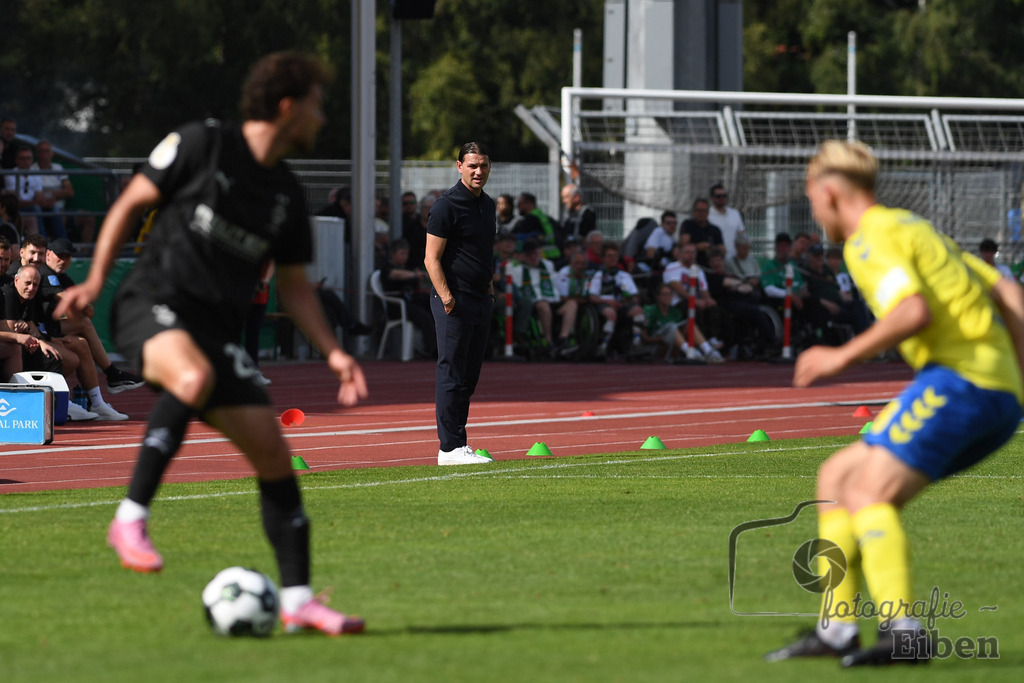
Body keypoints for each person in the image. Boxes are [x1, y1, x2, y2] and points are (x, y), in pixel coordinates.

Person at [54, 52, 369, 635]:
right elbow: (129, 204)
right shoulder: (202, 142)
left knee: (275, 456)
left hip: (213, 333)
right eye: (317, 105)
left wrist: (334, 351)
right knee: (191, 378)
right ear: (286, 105)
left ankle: (298, 600)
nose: (321, 119)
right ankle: (129, 518)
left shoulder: (286, 194)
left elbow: (297, 291)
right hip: (150, 303)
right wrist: (95, 281)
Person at [766, 139, 1024, 667]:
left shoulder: (869, 241)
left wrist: (839, 358)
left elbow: (911, 312)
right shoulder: (911, 226)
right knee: (837, 479)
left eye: (813, 199)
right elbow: (1008, 292)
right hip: (981, 385)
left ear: (832, 192)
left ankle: (904, 634)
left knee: (866, 491)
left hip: (961, 383)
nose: (815, 213)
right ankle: (837, 629)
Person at [424, 142, 497, 466]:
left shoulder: (488, 206)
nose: (478, 171)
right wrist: (448, 299)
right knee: (451, 372)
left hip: (481, 299)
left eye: (483, 165)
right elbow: (431, 258)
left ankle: (458, 444)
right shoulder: (446, 206)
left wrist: (490, 290)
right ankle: (449, 447)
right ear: (459, 166)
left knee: (468, 377)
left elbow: (483, 253)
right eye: (472, 166)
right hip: (454, 300)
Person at [510, 238, 579, 357]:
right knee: (543, 305)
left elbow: (556, 281)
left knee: (572, 304)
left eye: (535, 253)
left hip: (553, 300)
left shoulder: (547, 265)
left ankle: (564, 338)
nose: (534, 257)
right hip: (536, 303)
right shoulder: (516, 270)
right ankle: (548, 340)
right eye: (529, 255)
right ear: (522, 256)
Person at [381, 237, 436, 357]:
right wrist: (415, 275)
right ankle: (432, 349)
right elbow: (397, 275)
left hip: (411, 303)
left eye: (406, 254)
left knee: (434, 306)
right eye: (402, 253)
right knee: (423, 316)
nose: (405, 257)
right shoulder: (387, 268)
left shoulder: (407, 268)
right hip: (397, 307)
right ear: (393, 254)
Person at [587, 241, 644, 357]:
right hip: (604, 304)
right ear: (603, 258)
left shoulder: (624, 275)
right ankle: (603, 346)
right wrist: (608, 302)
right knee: (611, 313)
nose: (613, 259)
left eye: (615, 256)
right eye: (609, 256)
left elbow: (634, 295)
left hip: (622, 304)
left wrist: (629, 299)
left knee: (638, 311)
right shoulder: (597, 275)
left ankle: (636, 343)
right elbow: (592, 297)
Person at [30, 140, 75, 242]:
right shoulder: (32, 169)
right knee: (52, 210)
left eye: (47, 151)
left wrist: (48, 194)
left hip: (62, 208)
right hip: (41, 208)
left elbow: (70, 191)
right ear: (37, 154)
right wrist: (58, 193)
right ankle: (60, 245)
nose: (44, 154)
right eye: (41, 151)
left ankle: (84, 250)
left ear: (52, 153)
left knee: (87, 217)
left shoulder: (58, 168)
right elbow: (33, 194)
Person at [3, 145, 46, 237]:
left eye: (28, 158)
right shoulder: (10, 175)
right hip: (17, 209)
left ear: (32, 160)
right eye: (22, 158)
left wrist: (34, 202)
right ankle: (43, 239)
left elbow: (40, 198)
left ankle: (44, 241)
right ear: (17, 160)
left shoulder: (36, 175)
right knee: (36, 208)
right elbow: (14, 202)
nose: (26, 161)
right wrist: (34, 202)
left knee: (53, 209)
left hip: (32, 208)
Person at [680, 197, 723, 268]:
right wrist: (698, 247)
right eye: (699, 210)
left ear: (708, 212)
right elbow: (683, 245)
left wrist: (710, 248)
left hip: (711, 267)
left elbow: (722, 249)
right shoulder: (687, 225)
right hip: (691, 266)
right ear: (694, 211)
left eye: (704, 211)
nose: (701, 213)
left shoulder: (715, 229)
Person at [706, 183, 746, 258]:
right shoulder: (707, 214)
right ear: (712, 198)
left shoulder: (734, 213)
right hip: (714, 259)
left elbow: (741, 235)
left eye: (724, 196)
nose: (722, 198)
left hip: (733, 258)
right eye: (718, 196)